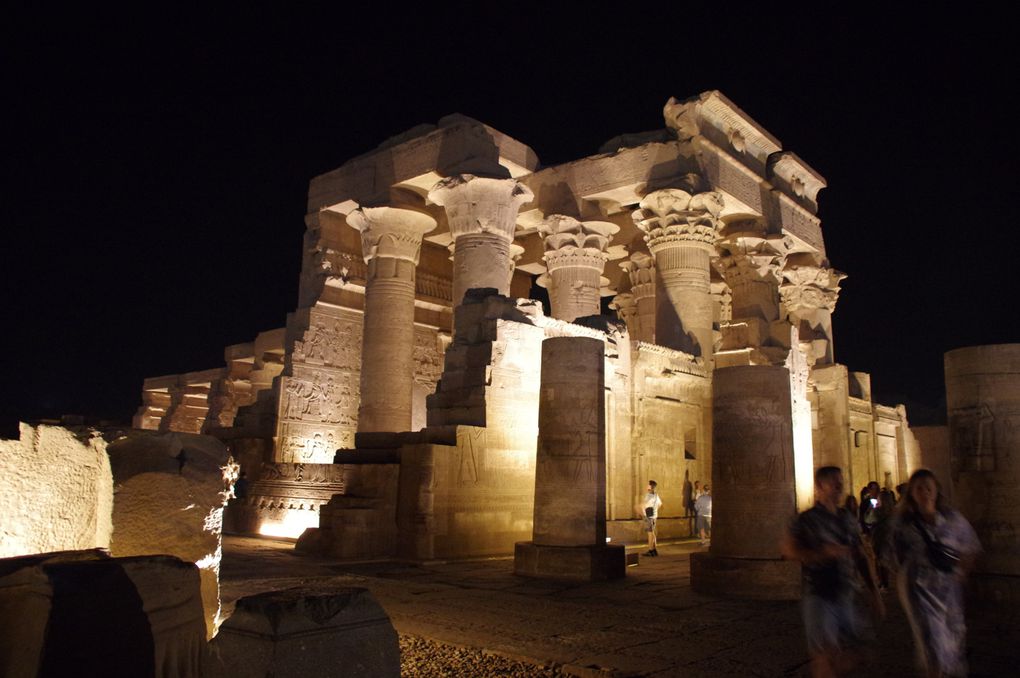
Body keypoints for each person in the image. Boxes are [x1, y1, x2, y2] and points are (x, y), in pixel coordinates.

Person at [782, 466, 884, 678]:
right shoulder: (806, 519)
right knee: (823, 654)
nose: (840, 487)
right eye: (834, 482)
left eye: (841, 481)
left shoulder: (847, 518)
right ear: (820, 486)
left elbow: (860, 555)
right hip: (818, 592)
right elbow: (789, 549)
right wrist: (821, 554)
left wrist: (874, 591)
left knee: (864, 650)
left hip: (846, 592)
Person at [887, 469, 980, 677]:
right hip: (919, 591)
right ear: (911, 493)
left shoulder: (952, 519)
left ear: (937, 490)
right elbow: (893, 556)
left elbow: (970, 548)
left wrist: (961, 572)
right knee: (931, 644)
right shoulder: (903, 524)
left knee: (953, 640)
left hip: (948, 591)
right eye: (919, 488)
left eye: (929, 487)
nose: (925, 492)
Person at [638, 480, 663, 557]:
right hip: (654, 516)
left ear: (650, 487)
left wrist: (643, 514)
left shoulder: (648, 495)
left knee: (650, 534)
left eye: (648, 485)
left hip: (649, 516)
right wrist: (655, 510)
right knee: (653, 533)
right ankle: (654, 550)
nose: (647, 486)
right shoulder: (656, 495)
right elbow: (660, 504)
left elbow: (644, 505)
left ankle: (650, 550)